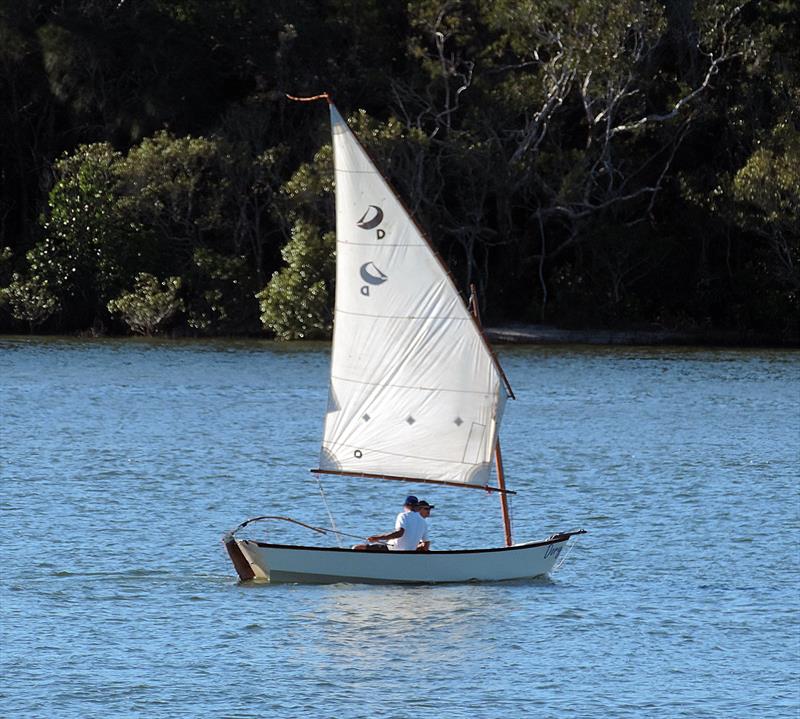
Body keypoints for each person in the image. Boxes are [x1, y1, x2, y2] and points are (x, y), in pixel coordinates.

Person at [353, 495, 428, 552]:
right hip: (409, 553)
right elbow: (425, 545)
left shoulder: (403, 515)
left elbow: (399, 533)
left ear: (406, 505)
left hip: (393, 549)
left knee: (356, 548)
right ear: (417, 507)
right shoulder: (423, 522)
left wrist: (377, 538)